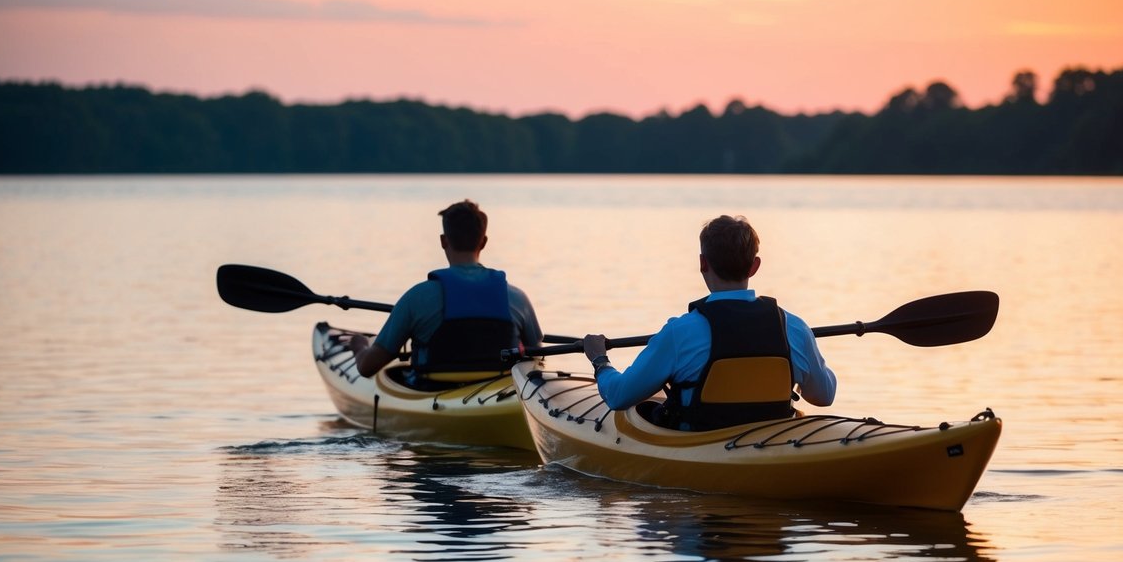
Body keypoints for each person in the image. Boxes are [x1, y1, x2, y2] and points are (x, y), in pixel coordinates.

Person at [582, 215, 836, 430]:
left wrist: (599, 360)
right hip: (770, 440)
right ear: (754, 266)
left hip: (701, 444)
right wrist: (806, 351)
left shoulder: (679, 333)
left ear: (703, 263)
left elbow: (618, 396)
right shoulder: (794, 327)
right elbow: (824, 396)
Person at [348, 199, 544, 385]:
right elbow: (536, 356)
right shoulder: (518, 298)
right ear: (483, 242)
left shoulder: (417, 298)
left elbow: (367, 367)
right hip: (499, 390)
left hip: (432, 388)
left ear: (443, 241)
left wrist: (358, 345)